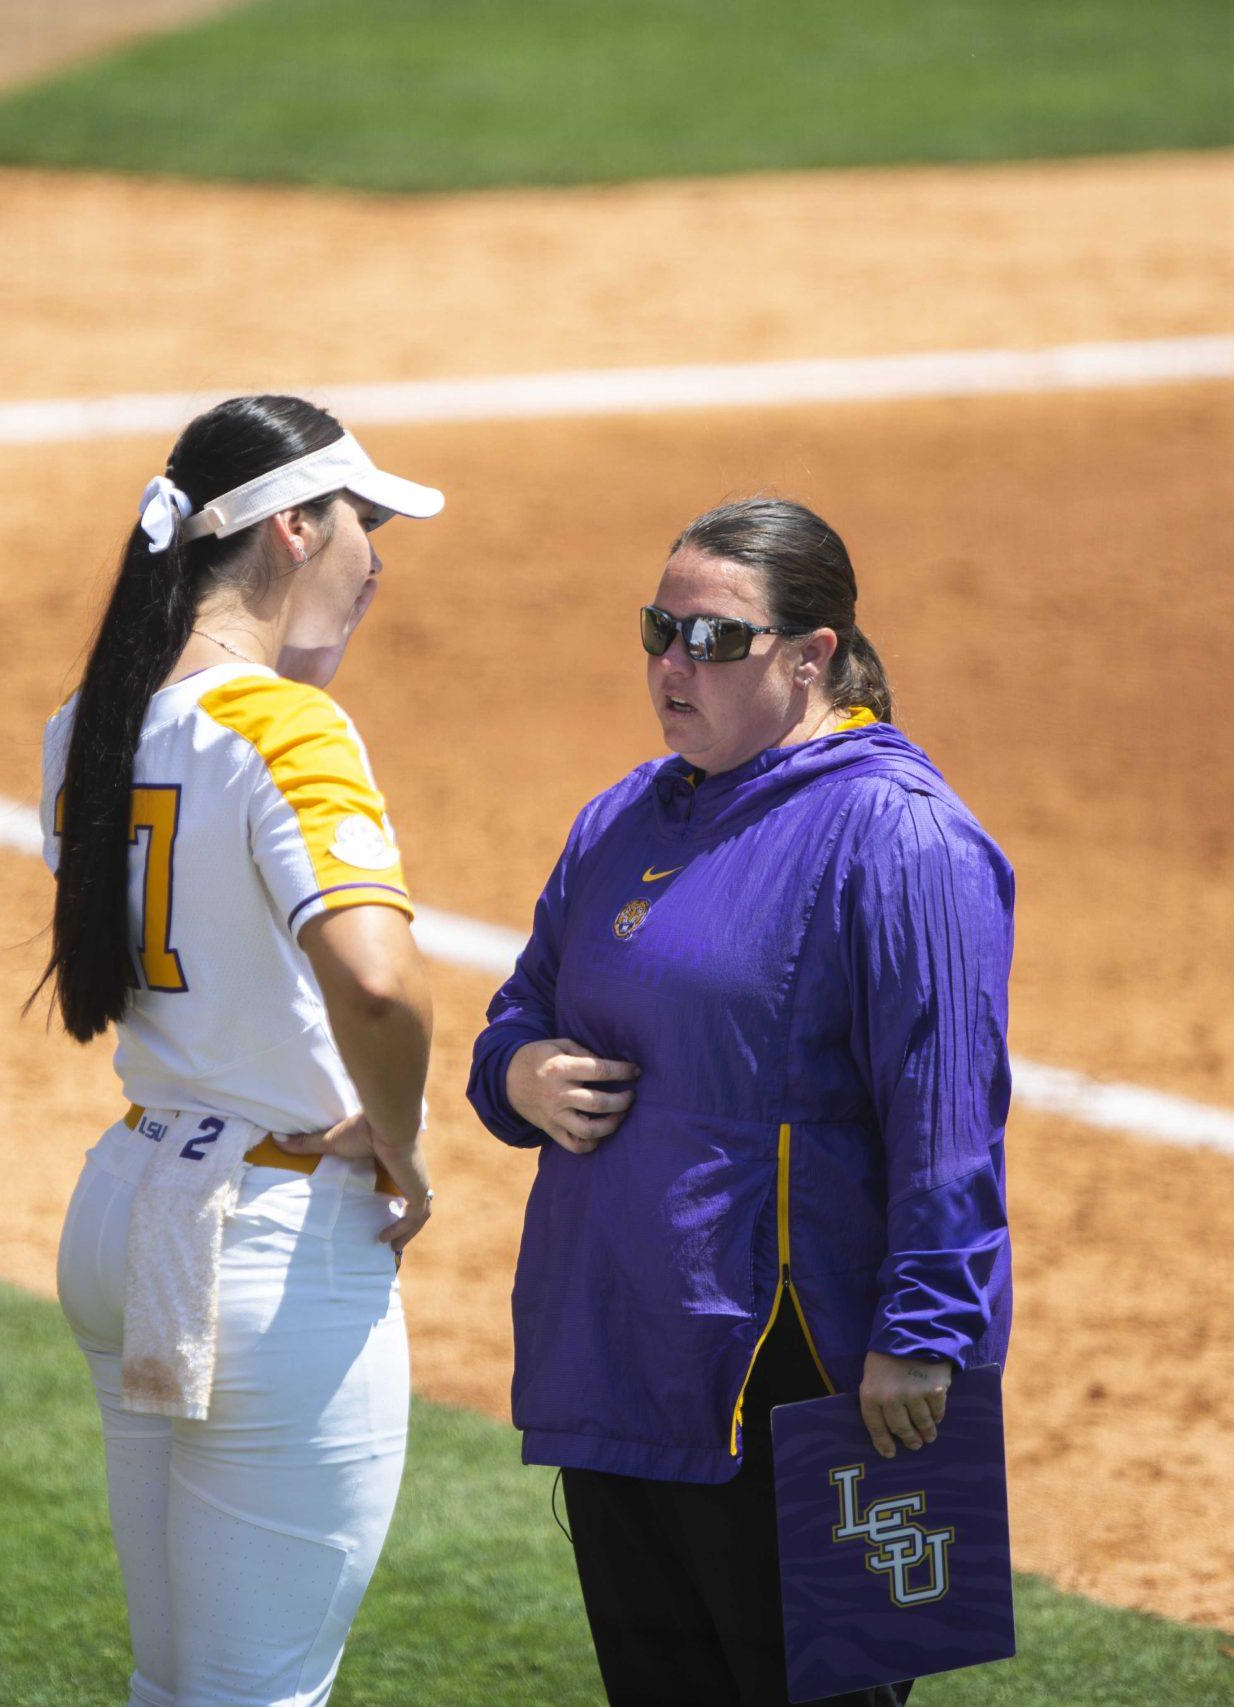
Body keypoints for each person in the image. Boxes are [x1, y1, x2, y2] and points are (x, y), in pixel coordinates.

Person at [466, 498, 1015, 1707]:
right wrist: (516, 1075)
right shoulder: (621, 816)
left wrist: (924, 1340)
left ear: (812, 655)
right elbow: (516, 1016)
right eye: (659, 629)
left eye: (713, 638)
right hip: (622, 1363)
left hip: (812, 1380)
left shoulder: (901, 836)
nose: (673, 662)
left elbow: (947, 1110)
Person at [38, 394, 443, 1707]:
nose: (374, 556)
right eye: (361, 521)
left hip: (136, 1209)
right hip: (270, 1247)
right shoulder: (284, 725)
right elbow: (378, 986)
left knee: (177, 1687)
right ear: (290, 528)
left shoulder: (83, 731)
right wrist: (401, 1131)